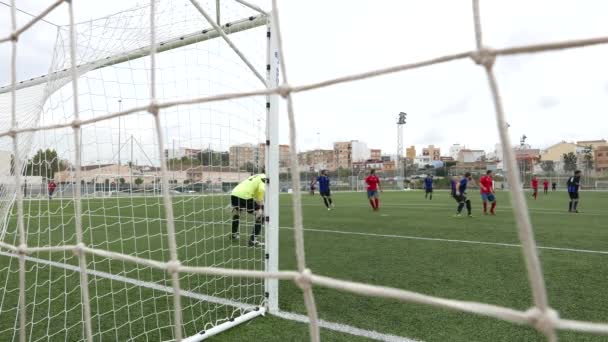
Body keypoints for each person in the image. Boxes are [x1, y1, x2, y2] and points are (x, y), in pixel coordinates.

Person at [230, 173, 266, 247]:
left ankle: (234, 234)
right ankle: (253, 241)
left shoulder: (256, 176)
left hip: (234, 193)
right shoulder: (264, 177)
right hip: (245, 196)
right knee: (261, 215)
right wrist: (261, 206)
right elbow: (261, 190)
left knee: (237, 212)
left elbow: (253, 189)